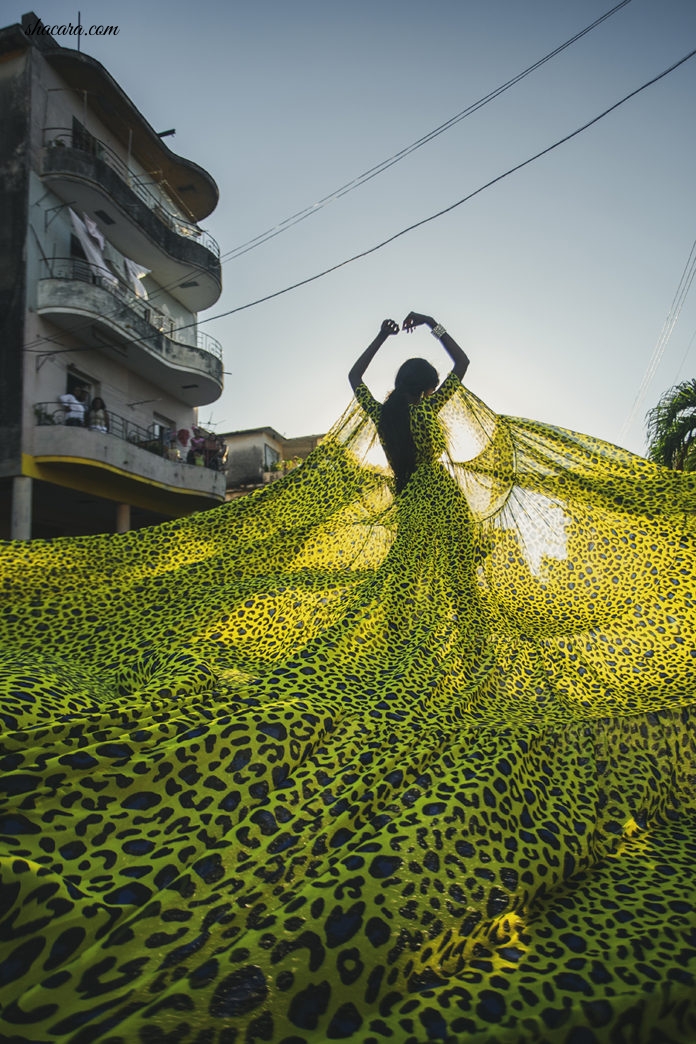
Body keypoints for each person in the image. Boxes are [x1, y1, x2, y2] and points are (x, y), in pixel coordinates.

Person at [349, 311, 469, 492]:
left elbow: (354, 376)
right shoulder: (427, 408)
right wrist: (430, 322)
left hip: (406, 496)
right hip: (441, 495)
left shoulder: (381, 415)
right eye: (432, 389)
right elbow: (462, 362)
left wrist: (382, 336)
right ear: (424, 387)